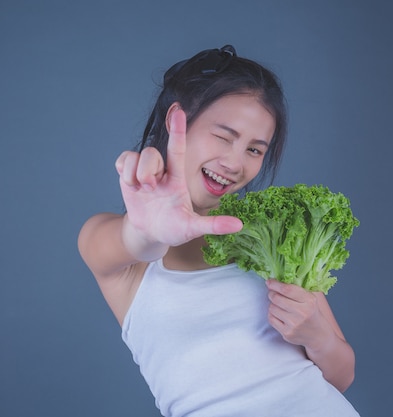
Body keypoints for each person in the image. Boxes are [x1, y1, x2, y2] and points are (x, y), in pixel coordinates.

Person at [77, 45, 359, 417]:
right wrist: (148, 232)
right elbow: (130, 242)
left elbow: (340, 377)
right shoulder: (120, 253)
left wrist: (317, 336)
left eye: (255, 150)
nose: (235, 164)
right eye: (224, 136)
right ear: (178, 122)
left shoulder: (272, 237)